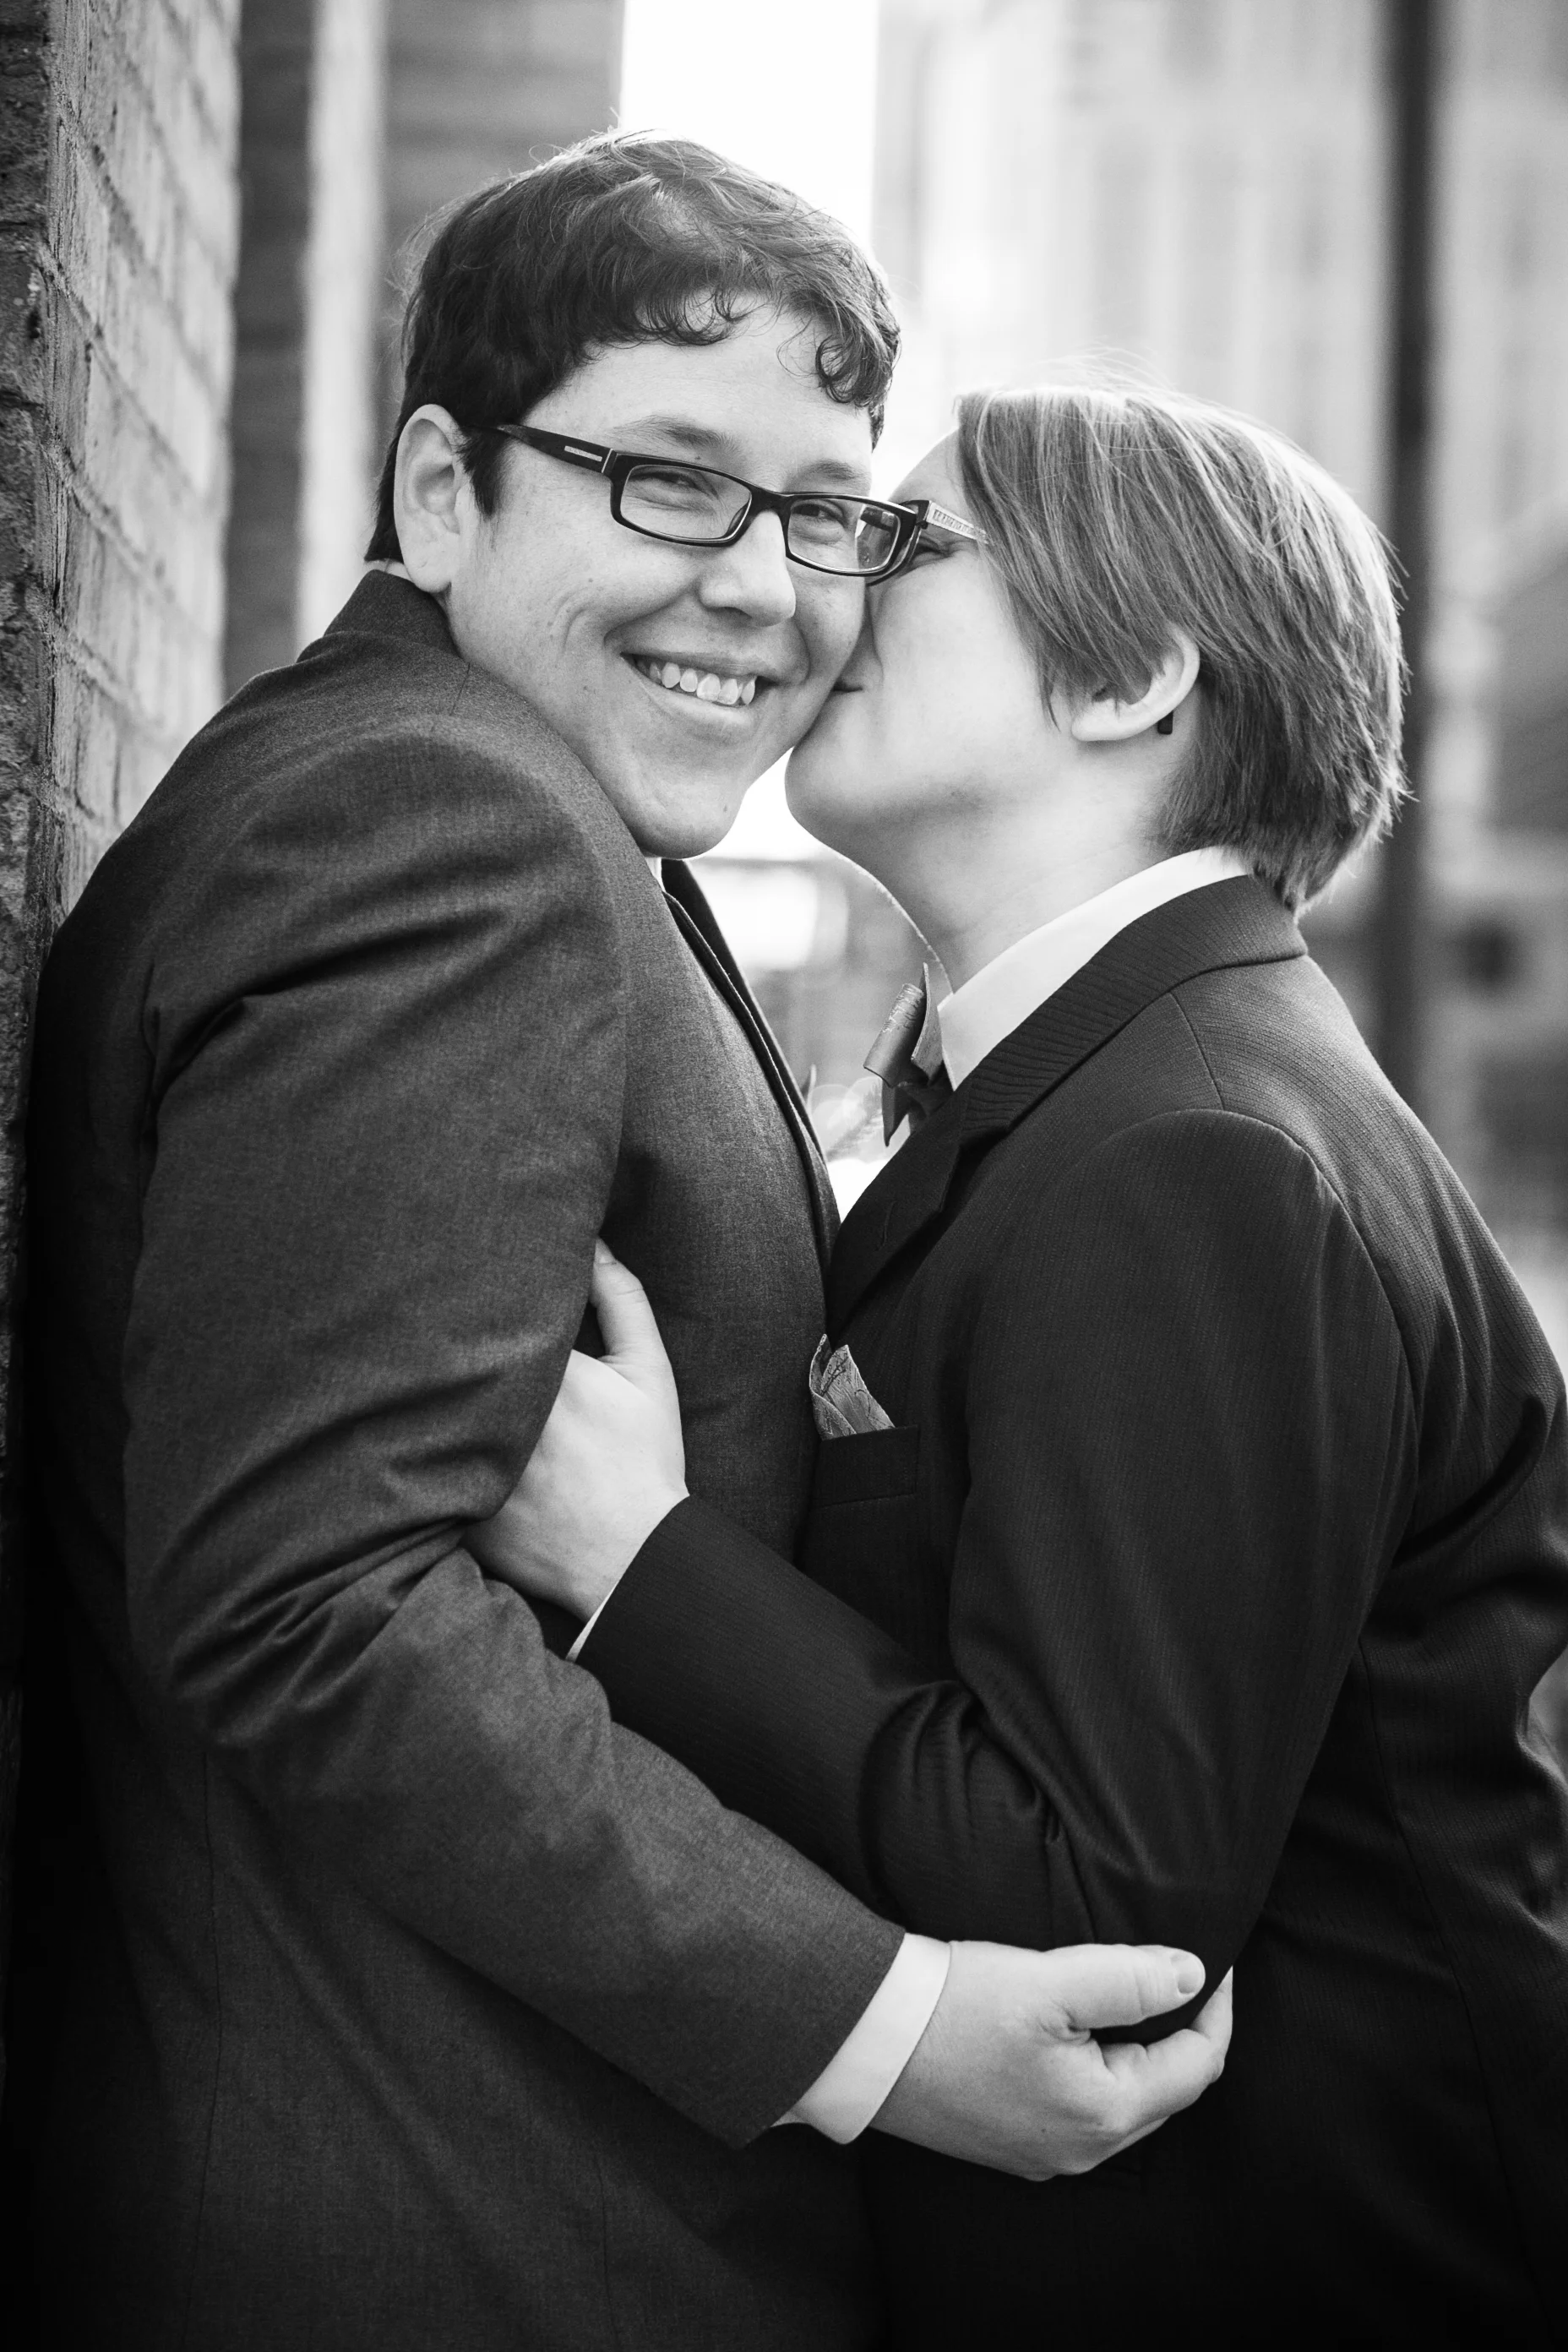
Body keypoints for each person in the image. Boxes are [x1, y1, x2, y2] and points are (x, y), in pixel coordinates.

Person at [16, 144, 1230, 2352]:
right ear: (445, 488)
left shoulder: (486, 785)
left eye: (830, 511)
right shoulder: (445, 829)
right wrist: (885, 2025)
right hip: (459, 2224)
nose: (764, 588)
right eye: (669, 483)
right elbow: (312, 1604)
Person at [480, 384, 1568, 2347]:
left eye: (903, 543)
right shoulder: (1119, 1100)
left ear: (1131, 671)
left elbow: (1093, 1896)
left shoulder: (1195, 1159)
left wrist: (638, 1562)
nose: (824, 593)